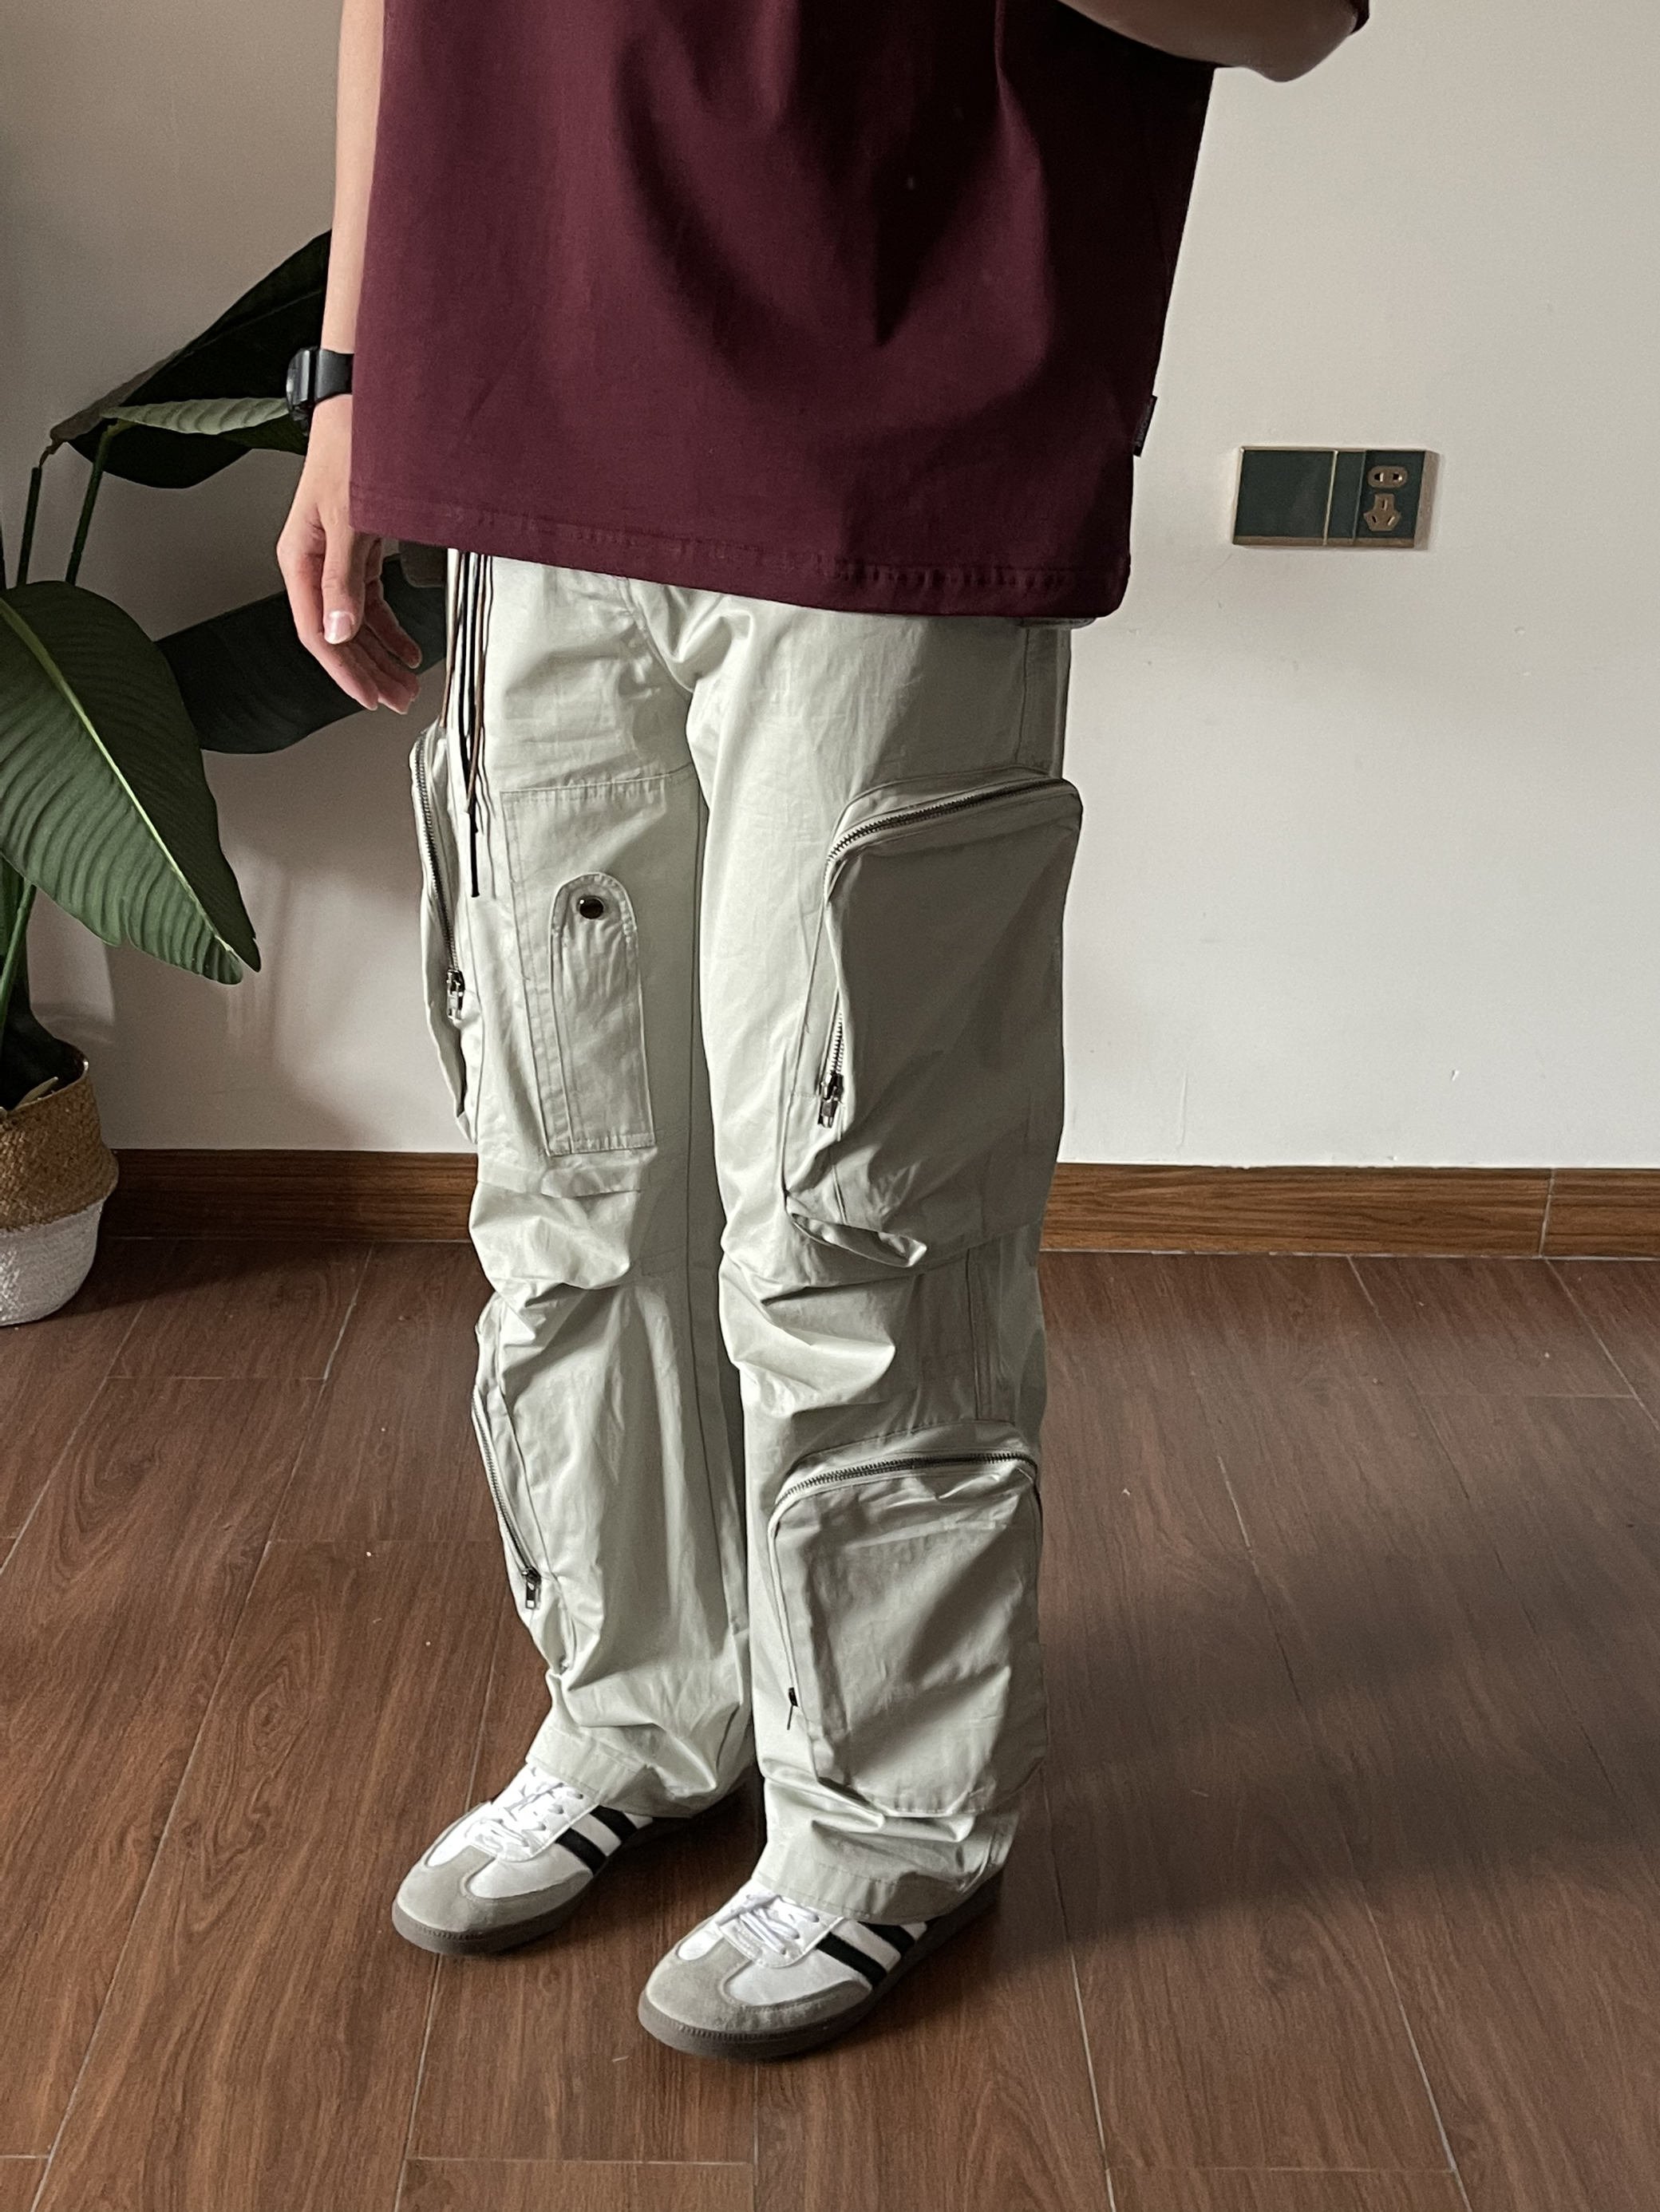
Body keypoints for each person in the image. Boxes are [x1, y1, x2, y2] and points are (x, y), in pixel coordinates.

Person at [279, 0, 1366, 2062]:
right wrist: (349, 382)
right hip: (518, 403)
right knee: (571, 1184)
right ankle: (642, 1708)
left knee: (855, 1209)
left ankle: (887, 1819)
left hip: (892, 424)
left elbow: (1290, 14)